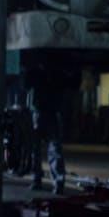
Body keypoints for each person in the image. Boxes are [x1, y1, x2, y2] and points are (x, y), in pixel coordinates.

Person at [28, 65, 67, 194]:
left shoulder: (40, 68)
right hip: (45, 111)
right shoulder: (53, 69)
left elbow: (26, 83)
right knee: (50, 148)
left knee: (41, 149)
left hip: (43, 111)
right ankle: (55, 182)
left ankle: (39, 180)